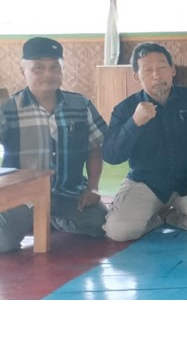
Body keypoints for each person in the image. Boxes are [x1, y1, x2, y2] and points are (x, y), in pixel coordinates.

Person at [101, 42, 187, 241]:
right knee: (118, 230)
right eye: (147, 70)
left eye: (161, 67)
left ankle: (170, 217)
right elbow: (111, 155)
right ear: (136, 76)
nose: (156, 75)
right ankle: (156, 219)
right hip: (145, 182)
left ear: (172, 70)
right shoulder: (125, 109)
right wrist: (134, 124)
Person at [0, 37, 108, 252]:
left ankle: (49, 219)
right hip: (24, 196)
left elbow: (95, 147)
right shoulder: (8, 108)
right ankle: (35, 218)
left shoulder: (80, 104)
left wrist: (93, 187)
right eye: (38, 68)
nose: (47, 74)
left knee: (100, 224)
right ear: (23, 71)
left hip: (69, 193)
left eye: (54, 67)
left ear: (62, 70)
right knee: (3, 243)